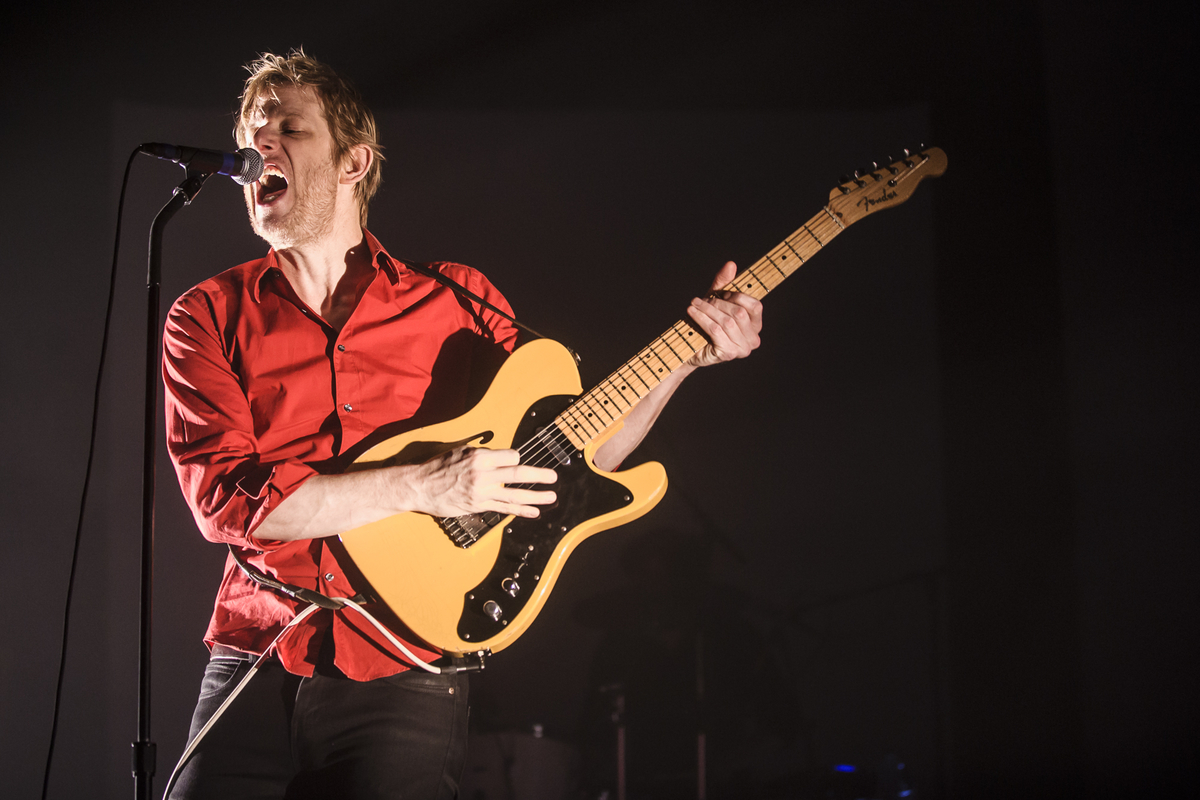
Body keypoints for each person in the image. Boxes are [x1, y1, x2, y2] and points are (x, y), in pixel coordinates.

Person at [162, 48, 762, 799]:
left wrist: (684, 359)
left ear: (354, 163)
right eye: (253, 130)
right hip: (255, 655)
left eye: (288, 127)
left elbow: (579, 446)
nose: (259, 145)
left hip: (405, 671)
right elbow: (229, 504)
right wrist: (425, 483)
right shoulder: (206, 315)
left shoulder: (458, 300)